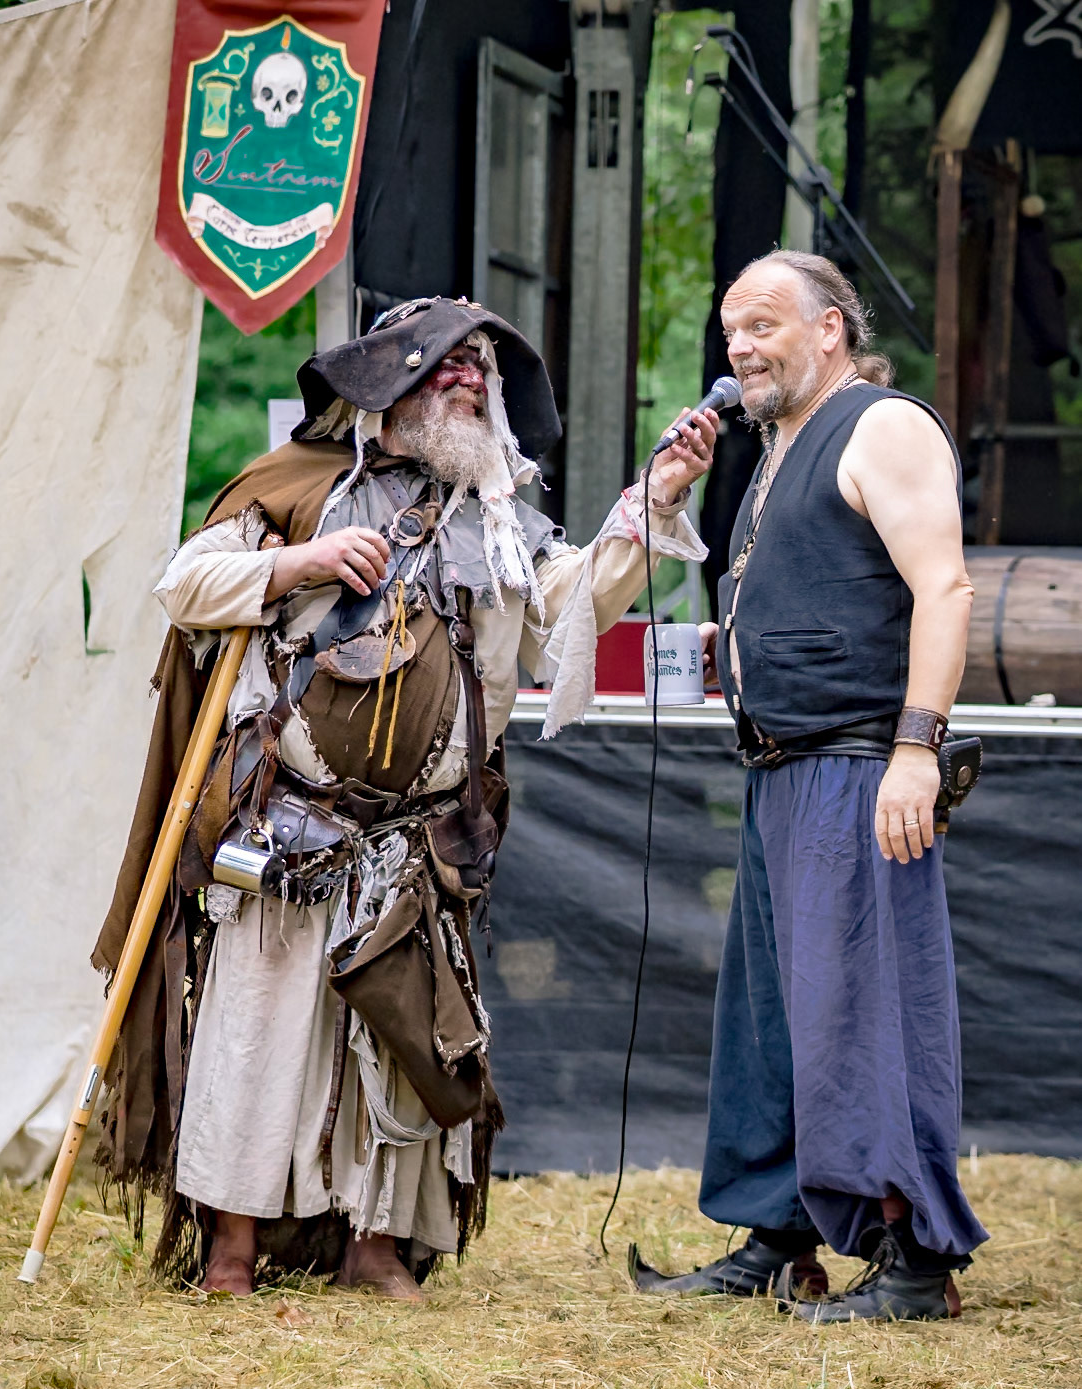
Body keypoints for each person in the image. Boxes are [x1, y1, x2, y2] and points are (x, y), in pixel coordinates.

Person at [92, 296, 716, 1301]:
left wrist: (654, 502)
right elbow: (183, 584)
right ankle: (230, 1251)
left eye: (480, 371)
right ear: (388, 388)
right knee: (259, 1039)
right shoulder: (297, 490)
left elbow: (575, 608)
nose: (468, 380)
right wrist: (298, 561)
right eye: (445, 368)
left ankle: (376, 1245)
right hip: (293, 827)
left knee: (397, 1043)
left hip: (418, 845)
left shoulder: (504, 525)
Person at [629, 252, 988, 1322]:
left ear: (828, 328)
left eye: (761, 324)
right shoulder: (777, 448)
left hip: (856, 766)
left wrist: (915, 748)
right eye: (728, 329)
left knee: (860, 1014)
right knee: (775, 1019)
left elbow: (945, 586)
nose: (737, 345)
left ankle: (915, 1258)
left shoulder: (879, 424)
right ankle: (778, 1233)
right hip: (780, 769)